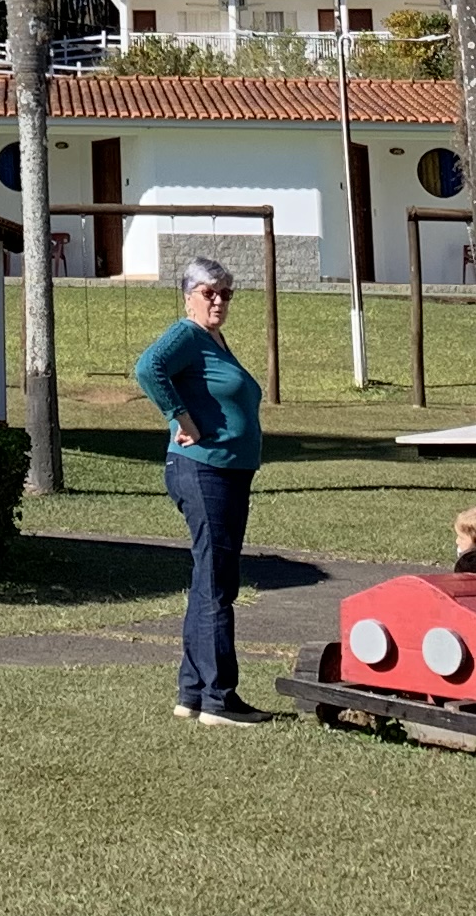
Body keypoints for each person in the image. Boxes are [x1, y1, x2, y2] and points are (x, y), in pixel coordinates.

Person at [133, 255, 268, 725]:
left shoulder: (213, 340)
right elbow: (149, 368)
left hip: (227, 471)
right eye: (209, 292)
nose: (218, 301)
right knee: (217, 584)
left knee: (210, 580)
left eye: (226, 293)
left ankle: (191, 694)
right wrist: (181, 417)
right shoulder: (186, 334)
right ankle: (219, 699)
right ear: (188, 294)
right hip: (205, 469)